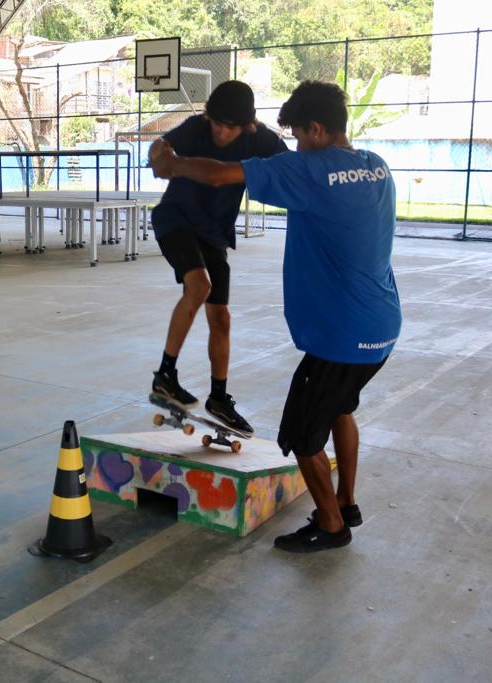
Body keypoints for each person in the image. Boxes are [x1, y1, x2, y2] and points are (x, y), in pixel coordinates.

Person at [149, 80, 401, 553]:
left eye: (302, 137)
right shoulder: (377, 167)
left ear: (319, 130)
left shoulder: (311, 170)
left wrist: (172, 165)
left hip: (340, 336)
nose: (298, 147)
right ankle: (346, 502)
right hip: (381, 327)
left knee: (303, 436)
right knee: (342, 410)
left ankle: (331, 526)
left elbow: (224, 176)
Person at [148, 80, 288, 436]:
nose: (223, 133)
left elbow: (293, 165)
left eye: (232, 127)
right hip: (175, 219)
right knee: (199, 286)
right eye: (218, 124)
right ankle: (165, 375)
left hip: (213, 233)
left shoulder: (260, 140)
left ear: (247, 125)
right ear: (209, 117)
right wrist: (158, 154)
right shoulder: (196, 128)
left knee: (221, 318)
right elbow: (162, 145)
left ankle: (219, 397)